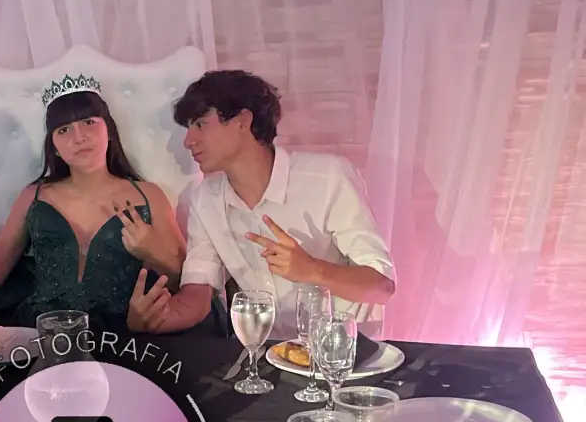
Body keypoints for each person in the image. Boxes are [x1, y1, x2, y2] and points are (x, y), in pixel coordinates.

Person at [127, 70, 395, 336]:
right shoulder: (206, 198)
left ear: (243, 121)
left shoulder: (328, 178)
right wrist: (157, 318)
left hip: (346, 348)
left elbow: (381, 287)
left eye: (200, 124)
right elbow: (197, 294)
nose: (188, 141)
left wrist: (313, 270)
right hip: (269, 351)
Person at [0, 76, 185, 328]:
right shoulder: (34, 196)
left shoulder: (149, 196)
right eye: (64, 130)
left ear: (109, 131)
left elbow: (184, 280)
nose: (78, 137)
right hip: (40, 330)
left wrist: (155, 252)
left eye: (88, 122)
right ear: (54, 146)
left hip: (120, 331)